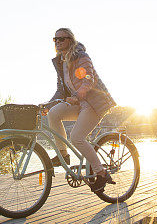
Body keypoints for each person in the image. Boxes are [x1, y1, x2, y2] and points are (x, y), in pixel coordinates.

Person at [44, 28, 117, 192]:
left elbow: (88, 78)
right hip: (78, 103)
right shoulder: (60, 62)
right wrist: (46, 105)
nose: (57, 42)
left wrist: (78, 95)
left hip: (93, 103)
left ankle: (102, 173)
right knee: (53, 114)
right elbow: (61, 91)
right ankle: (63, 154)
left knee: (76, 137)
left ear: (70, 40)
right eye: (55, 39)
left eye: (61, 39)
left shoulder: (81, 56)